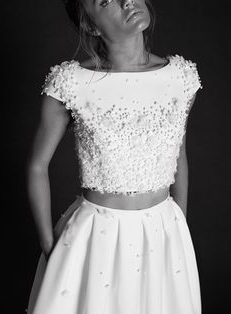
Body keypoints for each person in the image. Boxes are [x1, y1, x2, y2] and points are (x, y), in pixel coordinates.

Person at [26, 0, 202, 313]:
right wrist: (48, 245)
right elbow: (37, 166)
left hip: (163, 230)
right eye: (106, 1)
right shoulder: (72, 82)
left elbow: (180, 155)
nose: (127, 1)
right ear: (90, 25)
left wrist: (179, 226)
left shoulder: (180, 77)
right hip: (95, 234)